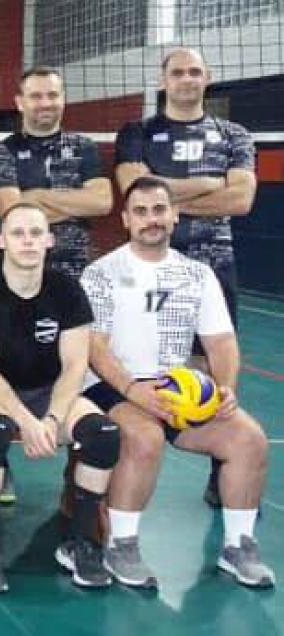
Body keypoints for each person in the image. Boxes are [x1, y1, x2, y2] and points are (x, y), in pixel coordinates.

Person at [82, 176, 272, 589]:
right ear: (126, 220)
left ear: (175, 215)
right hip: (111, 384)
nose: (151, 219)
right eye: (141, 212)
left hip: (177, 389)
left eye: (159, 210)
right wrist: (133, 391)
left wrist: (225, 389)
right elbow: (94, 347)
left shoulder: (197, 275)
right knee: (144, 438)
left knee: (249, 440)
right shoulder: (102, 273)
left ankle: (238, 546)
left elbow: (221, 342)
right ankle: (121, 546)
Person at [113, 47, 258, 507]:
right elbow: (134, 190)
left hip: (214, 264)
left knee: (213, 365)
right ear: (164, 81)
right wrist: (211, 183)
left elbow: (241, 199)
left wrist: (163, 192)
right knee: (133, 360)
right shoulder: (137, 132)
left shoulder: (233, 134)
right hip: (149, 266)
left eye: (195, 71)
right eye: (178, 72)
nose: (187, 79)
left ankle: (221, 467)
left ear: (207, 77)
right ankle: (112, 465)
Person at [0, 203, 122, 592]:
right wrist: (25, 421)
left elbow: (75, 365)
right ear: (1, 241)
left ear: (49, 240)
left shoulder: (67, 290)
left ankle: (80, 542)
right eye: (18, 233)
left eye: (35, 233)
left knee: (103, 433)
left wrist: (50, 419)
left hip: (49, 391)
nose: (28, 241)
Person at [0, 66, 111, 280]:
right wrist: (78, 205)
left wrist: (35, 196)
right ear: (20, 103)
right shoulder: (2, 151)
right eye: (36, 96)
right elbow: (11, 211)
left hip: (76, 272)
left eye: (52, 95)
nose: (45, 103)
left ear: (63, 99)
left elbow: (102, 202)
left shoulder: (83, 147)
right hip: (20, 272)